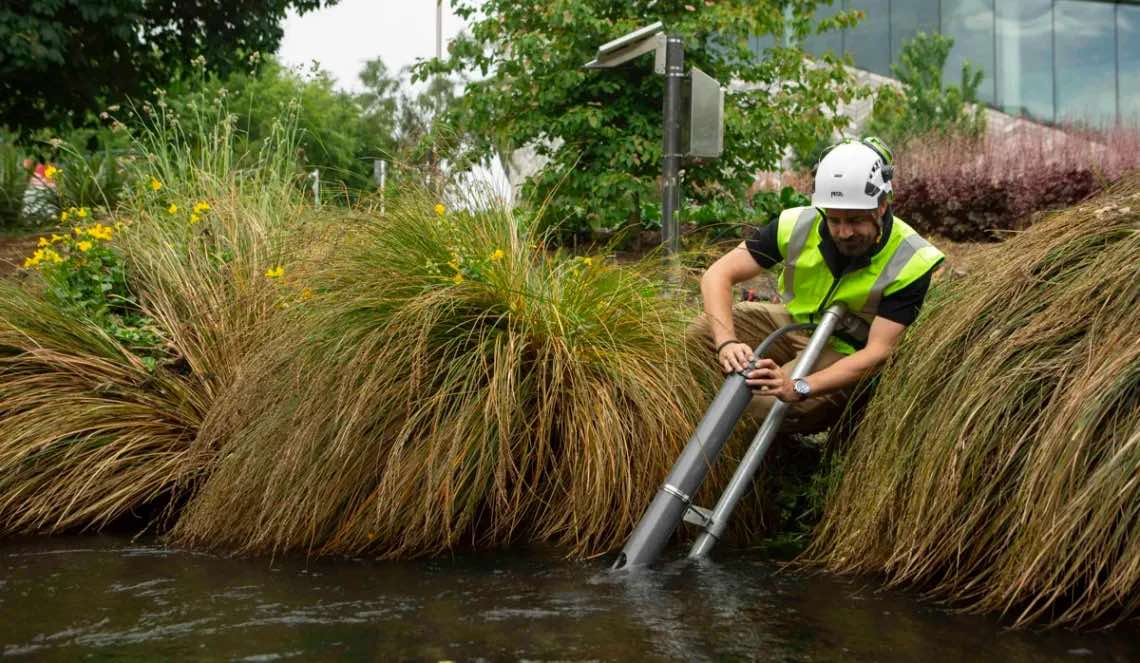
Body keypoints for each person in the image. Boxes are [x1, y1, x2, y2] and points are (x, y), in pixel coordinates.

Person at [694, 137, 945, 433]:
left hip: (845, 350)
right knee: (700, 337)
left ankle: (775, 448)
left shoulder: (912, 259)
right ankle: (708, 418)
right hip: (793, 322)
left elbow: (878, 353)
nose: (843, 232)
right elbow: (717, 275)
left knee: (763, 405)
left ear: (882, 206)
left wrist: (799, 386)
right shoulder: (797, 224)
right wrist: (727, 343)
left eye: (855, 219)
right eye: (834, 219)